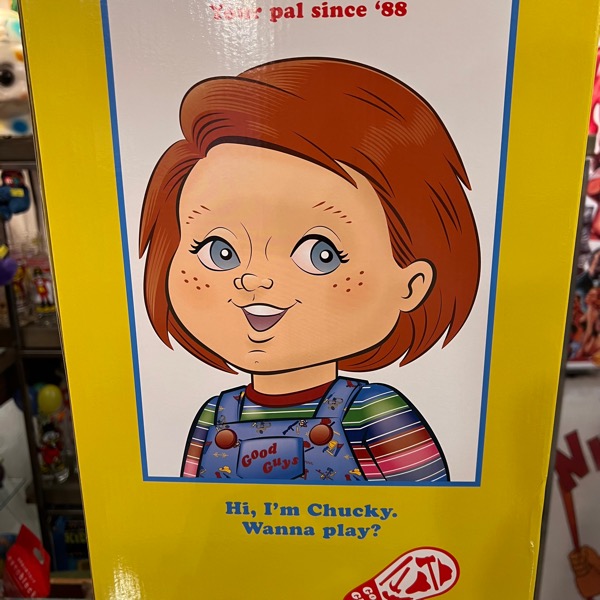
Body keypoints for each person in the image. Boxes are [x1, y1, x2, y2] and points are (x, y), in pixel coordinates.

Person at [139, 57, 480, 483]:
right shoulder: (213, 417)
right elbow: (185, 506)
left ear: (410, 285)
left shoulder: (373, 413)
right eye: (220, 252)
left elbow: (427, 510)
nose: (255, 279)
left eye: (320, 254)